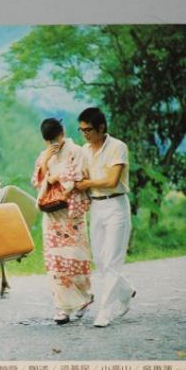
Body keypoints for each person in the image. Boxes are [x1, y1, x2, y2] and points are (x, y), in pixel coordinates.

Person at [74, 108, 136, 327]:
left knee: (112, 260)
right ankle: (126, 291)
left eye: (88, 130)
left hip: (116, 206)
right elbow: (80, 176)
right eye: (82, 130)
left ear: (101, 127)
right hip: (96, 207)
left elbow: (112, 181)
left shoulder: (118, 147)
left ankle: (104, 312)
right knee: (100, 260)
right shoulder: (84, 150)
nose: (85, 134)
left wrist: (87, 183)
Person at [32, 118, 93, 325]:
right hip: (52, 215)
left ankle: (83, 299)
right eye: (49, 141)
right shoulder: (44, 155)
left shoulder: (76, 151)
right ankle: (62, 308)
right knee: (56, 262)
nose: (53, 143)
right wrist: (44, 164)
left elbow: (79, 175)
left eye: (55, 138)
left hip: (71, 213)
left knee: (76, 258)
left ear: (63, 133)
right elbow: (36, 181)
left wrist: (55, 177)